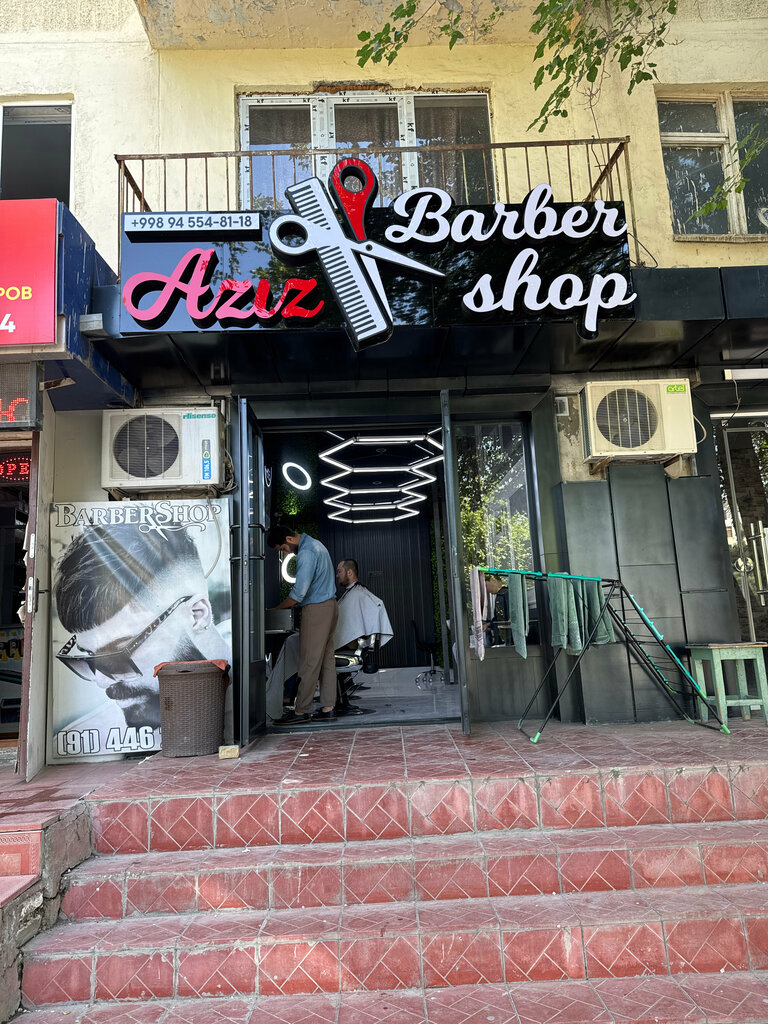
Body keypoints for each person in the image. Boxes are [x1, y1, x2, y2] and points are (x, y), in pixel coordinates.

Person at [53, 523, 232, 743]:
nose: (102, 681)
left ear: (196, 615)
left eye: (117, 656)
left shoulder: (255, 703)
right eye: (88, 659)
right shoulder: (92, 737)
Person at [266, 555, 393, 721]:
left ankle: (286, 697)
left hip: (342, 645)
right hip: (335, 640)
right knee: (295, 642)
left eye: (339, 571)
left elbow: (353, 629)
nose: (337, 575)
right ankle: (290, 697)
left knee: (293, 643)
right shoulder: (353, 594)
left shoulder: (359, 595)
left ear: (349, 572)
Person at [267, 524, 338, 724]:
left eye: (283, 549)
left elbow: (298, 594)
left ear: (289, 539)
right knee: (326, 660)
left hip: (316, 609)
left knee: (309, 661)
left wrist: (276, 610)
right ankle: (328, 707)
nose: (285, 553)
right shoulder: (317, 544)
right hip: (330, 606)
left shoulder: (306, 552)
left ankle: (301, 711)